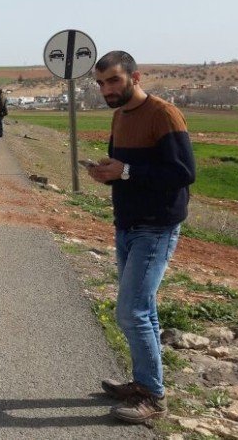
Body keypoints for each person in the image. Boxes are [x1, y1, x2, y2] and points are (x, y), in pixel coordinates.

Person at [86, 50, 195, 425]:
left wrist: (127, 170)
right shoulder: (119, 116)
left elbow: (182, 172)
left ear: (135, 77)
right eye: (101, 83)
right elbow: (125, 170)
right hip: (128, 224)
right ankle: (143, 382)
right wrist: (107, 172)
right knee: (142, 309)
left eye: (113, 80)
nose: (106, 89)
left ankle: (153, 396)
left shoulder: (163, 114)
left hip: (156, 226)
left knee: (131, 310)